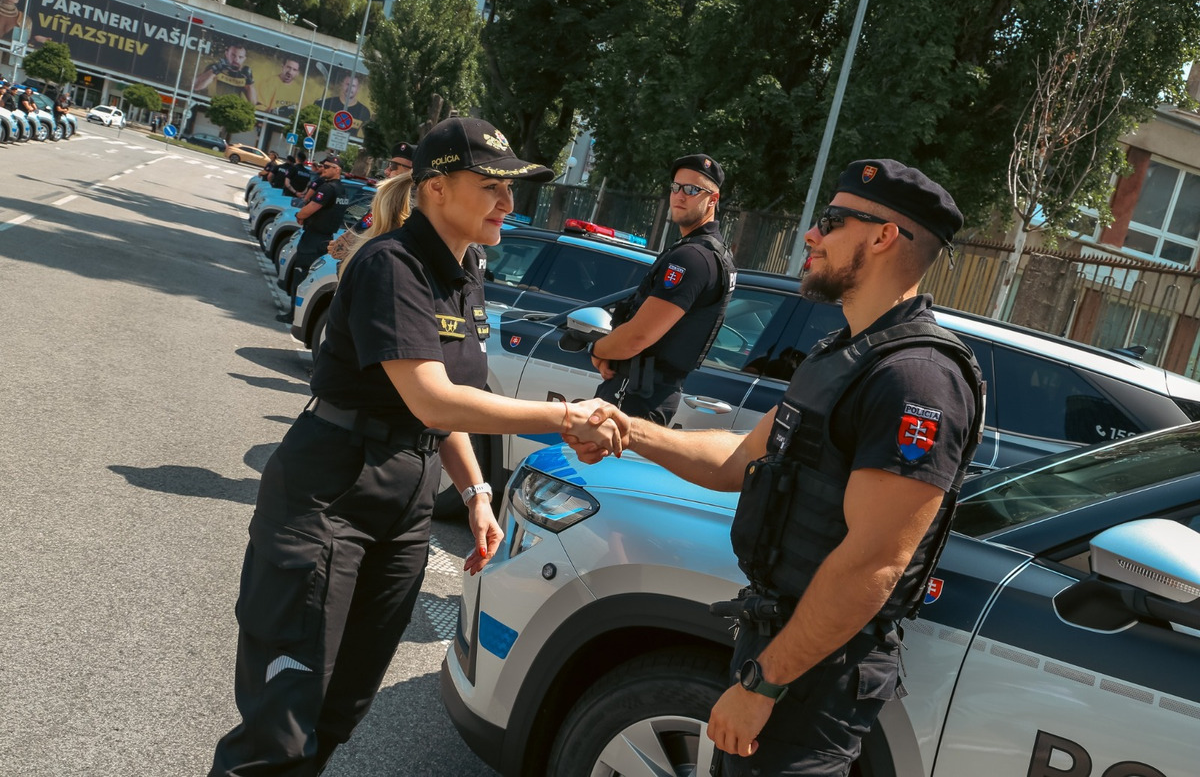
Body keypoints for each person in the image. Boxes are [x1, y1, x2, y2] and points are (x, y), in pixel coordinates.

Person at [208, 116, 626, 776]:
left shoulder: (467, 270)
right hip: (330, 491)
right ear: (435, 188)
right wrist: (566, 418)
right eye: (491, 186)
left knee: (340, 708)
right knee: (281, 726)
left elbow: (449, 402)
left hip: (404, 499)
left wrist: (478, 493)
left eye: (511, 189)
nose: (508, 204)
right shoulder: (390, 264)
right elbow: (431, 397)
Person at [570, 159, 984, 777]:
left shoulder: (916, 379)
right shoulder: (843, 353)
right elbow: (741, 458)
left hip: (815, 672)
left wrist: (765, 685)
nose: (810, 236)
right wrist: (629, 432)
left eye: (830, 221)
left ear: (882, 236)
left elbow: (875, 562)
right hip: (779, 639)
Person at [589, 154, 737, 426]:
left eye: (692, 190)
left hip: (636, 393)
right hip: (648, 391)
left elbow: (638, 337)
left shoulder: (692, 257)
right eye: (675, 187)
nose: (680, 196)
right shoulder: (711, 253)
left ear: (713, 200)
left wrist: (598, 350)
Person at [278, 155, 348, 322]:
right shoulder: (342, 190)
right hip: (326, 238)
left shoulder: (328, 188)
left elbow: (309, 209)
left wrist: (299, 215)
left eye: (327, 166)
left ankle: (293, 315)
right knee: (310, 276)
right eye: (323, 165)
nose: (323, 168)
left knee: (300, 276)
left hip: (313, 238)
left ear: (337, 169)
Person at [193, 42, 258, 106]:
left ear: (244, 59)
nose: (236, 59)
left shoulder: (244, 74)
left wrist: (250, 82)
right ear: (227, 54)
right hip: (213, 104)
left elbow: (253, 103)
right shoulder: (215, 67)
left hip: (233, 109)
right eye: (233, 55)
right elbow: (196, 87)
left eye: (240, 57)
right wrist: (214, 71)